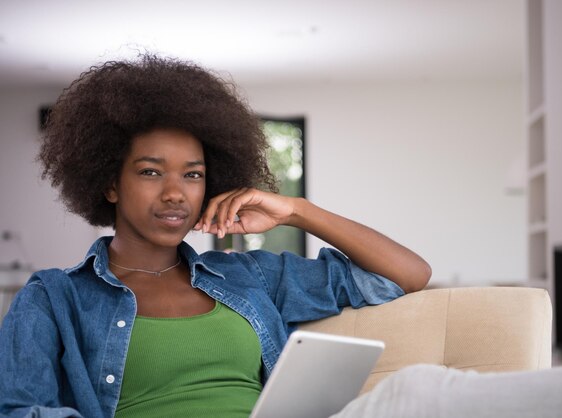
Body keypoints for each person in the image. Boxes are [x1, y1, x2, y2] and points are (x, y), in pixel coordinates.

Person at [0, 55, 430, 418]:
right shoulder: (54, 297)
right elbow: (18, 409)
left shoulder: (251, 277)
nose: (175, 193)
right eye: (150, 171)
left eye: (193, 175)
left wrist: (297, 210)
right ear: (109, 183)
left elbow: (407, 274)